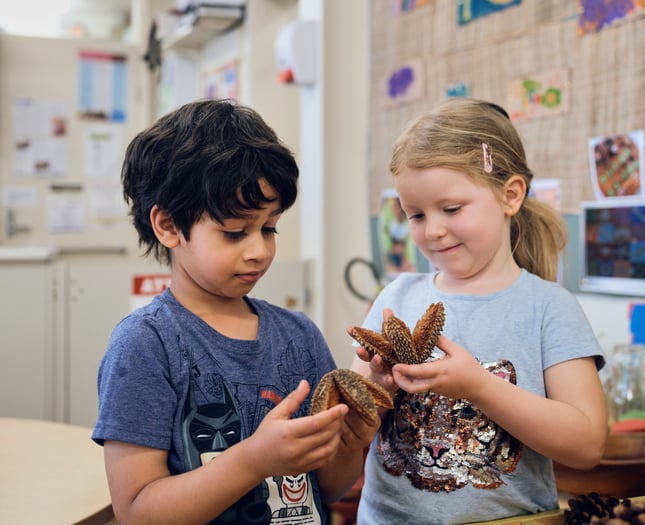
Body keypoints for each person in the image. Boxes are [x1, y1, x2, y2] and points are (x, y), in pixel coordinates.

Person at [92, 99, 379, 525]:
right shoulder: (146, 344)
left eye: (269, 228)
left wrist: (351, 443)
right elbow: (136, 512)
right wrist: (253, 461)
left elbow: (329, 489)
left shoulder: (299, 335)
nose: (259, 251)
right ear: (168, 226)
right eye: (234, 232)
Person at [351, 98, 608, 524]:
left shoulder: (548, 309)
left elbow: (586, 445)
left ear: (510, 195)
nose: (432, 230)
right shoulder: (395, 298)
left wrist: (480, 388)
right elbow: (354, 424)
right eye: (415, 214)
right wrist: (378, 387)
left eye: (451, 209)